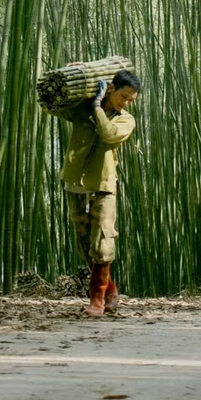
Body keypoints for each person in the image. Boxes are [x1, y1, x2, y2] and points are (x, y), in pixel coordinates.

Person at [53, 68, 142, 316]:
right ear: (111, 88)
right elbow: (52, 107)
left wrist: (97, 107)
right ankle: (111, 291)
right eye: (123, 96)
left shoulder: (125, 120)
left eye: (131, 100)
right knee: (84, 246)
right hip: (75, 181)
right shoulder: (83, 109)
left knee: (102, 241)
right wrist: (76, 92)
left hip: (104, 184)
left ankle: (97, 300)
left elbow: (108, 133)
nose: (126, 103)